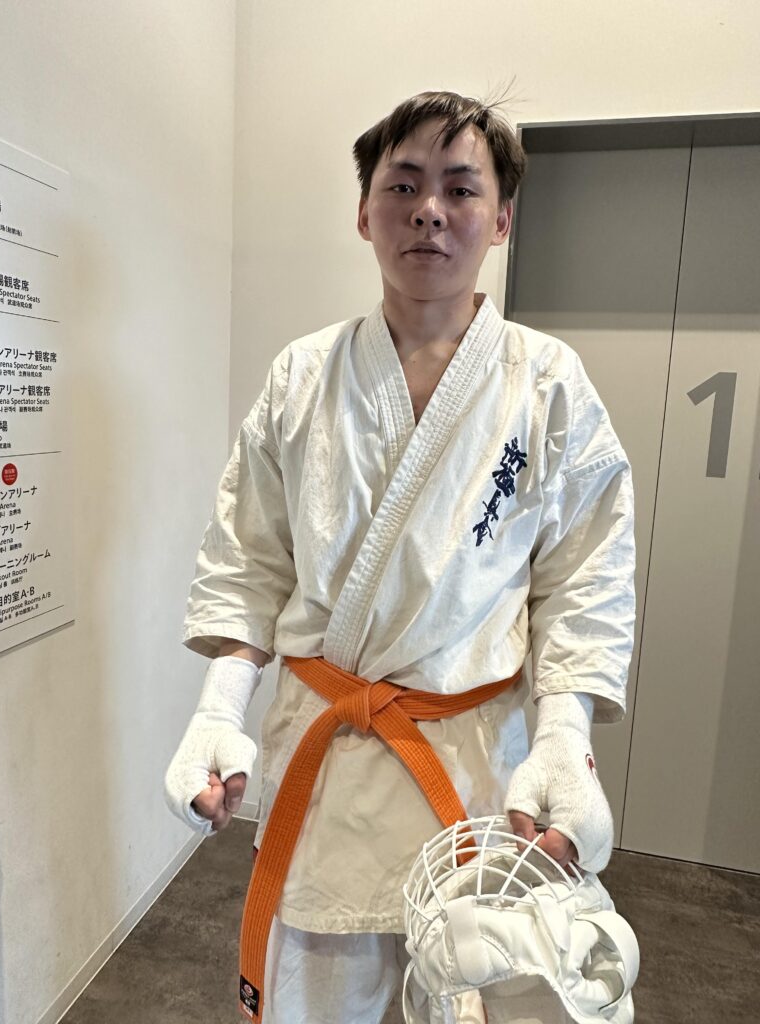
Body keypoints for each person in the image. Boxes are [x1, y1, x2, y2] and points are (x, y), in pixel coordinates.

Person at [164, 90, 636, 1023]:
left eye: (461, 188)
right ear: (364, 211)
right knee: (315, 1000)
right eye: (404, 184)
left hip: (476, 766)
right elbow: (250, 557)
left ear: (501, 219)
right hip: (327, 765)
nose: (429, 210)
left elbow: (584, 578)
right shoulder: (302, 375)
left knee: (472, 988)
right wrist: (218, 705)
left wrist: (564, 737)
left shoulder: (548, 383)